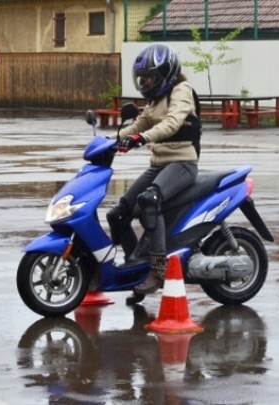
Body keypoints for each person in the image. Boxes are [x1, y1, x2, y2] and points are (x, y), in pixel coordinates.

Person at [105, 43, 202, 305]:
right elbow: (138, 124)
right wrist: (108, 141)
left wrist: (141, 138)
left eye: (150, 76)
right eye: (143, 78)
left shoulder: (182, 91)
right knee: (118, 213)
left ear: (165, 73)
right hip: (159, 165)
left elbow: (172, 123)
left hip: (182, 164)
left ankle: (158, 270)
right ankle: (136, 266)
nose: (145, 82)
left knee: (150, 200)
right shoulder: (155, 100)